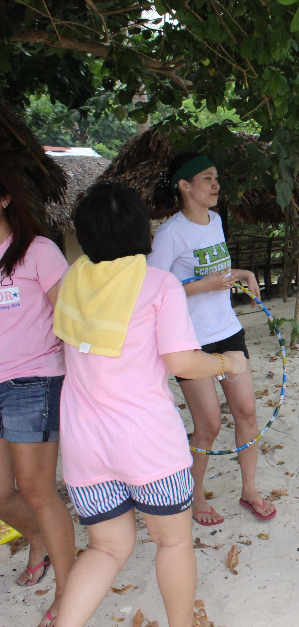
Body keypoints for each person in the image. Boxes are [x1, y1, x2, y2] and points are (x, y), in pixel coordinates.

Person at [52, 182, 248, 627]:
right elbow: (181, 361)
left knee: (106, 548)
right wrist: (228, 362)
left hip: (85, 446)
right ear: (142, 230)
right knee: (173, 542)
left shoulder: (73, 281)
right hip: (147, 443)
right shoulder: (158, 283)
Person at [148, 153, 276, 525]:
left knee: (247, 412)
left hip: (227, 330)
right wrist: (202, 286)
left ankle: (249, 489)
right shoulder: (170, 234)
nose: (216, 184)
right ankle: (195, 495)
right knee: (209, 425)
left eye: (215, 176)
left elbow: (216, 272)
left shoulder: (216, 220)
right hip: (190, 341)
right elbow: (152, 290)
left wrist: (243, 272)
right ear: (185, 186)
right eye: (207, 178)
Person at [0, 165, 75, 627]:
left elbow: (69, 320)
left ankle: (69, 590)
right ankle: (39, 540)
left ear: (5, 198)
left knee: (35, 489)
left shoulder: (37, 252)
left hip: (34, 380)